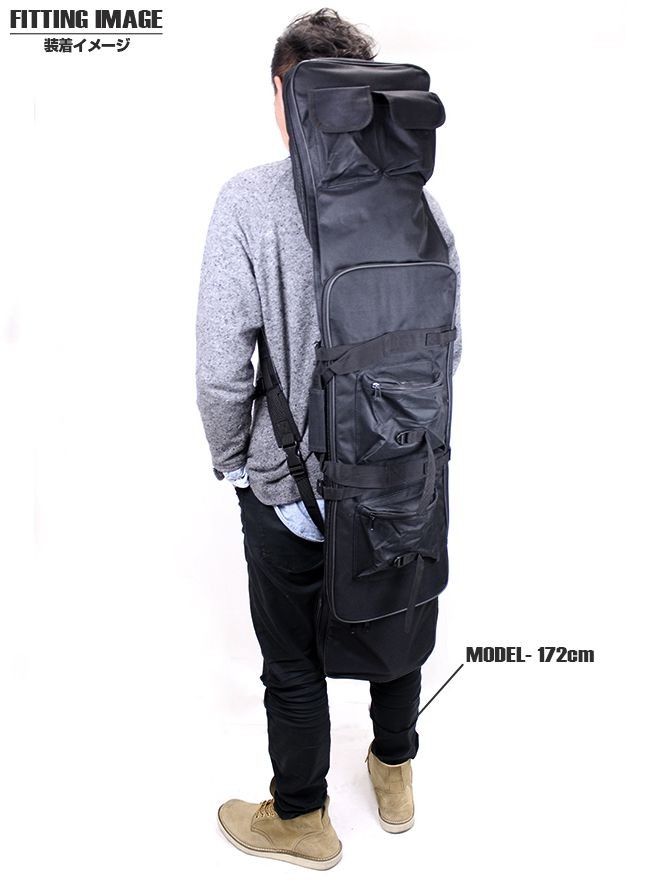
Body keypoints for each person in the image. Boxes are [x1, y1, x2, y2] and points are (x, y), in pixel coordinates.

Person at [196, 7, 462, 871]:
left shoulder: (249, 202)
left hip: (289, 489)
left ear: (287, 97)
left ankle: (301, 818)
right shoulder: (420, 206)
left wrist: (235, 460)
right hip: (399, 480)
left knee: (290, 661)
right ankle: (394, 769)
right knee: (393, 611)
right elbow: (449, 349)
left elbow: (220, 365)